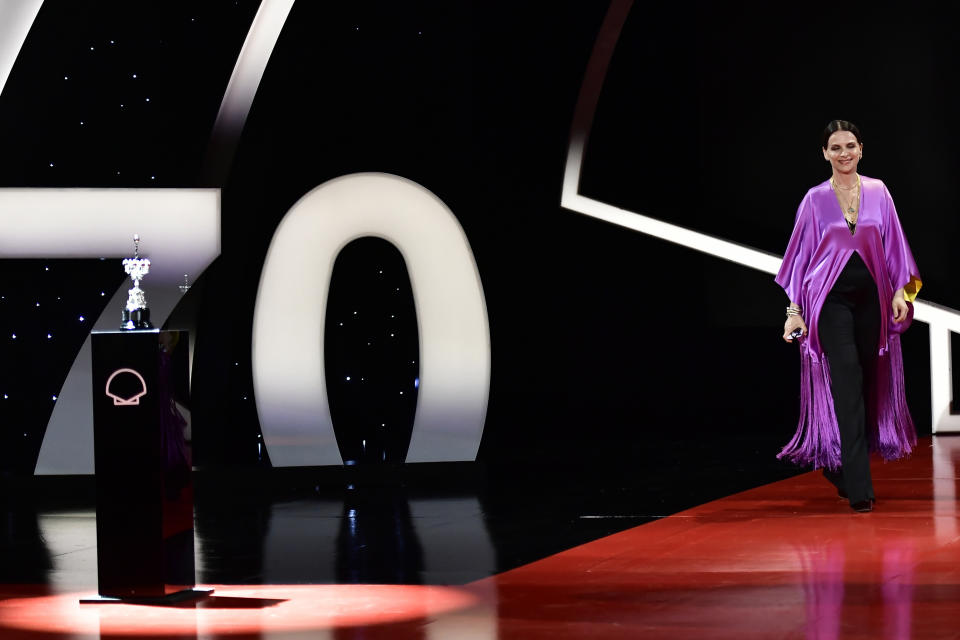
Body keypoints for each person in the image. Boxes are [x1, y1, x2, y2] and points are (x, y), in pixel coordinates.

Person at [776, 120, 921, 513]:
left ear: (861, 149)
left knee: (869, 383)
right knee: (846, 381)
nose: (844, 153)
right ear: (824, 153)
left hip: (872, 298)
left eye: (850, 146)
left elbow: (895, 245)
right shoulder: (814, 200)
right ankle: (860, 489)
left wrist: (898, 292)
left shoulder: (878, 192)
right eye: (835, 147)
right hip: (829, 301)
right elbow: (798, 260)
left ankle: (840, 466)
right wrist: (794, 313)